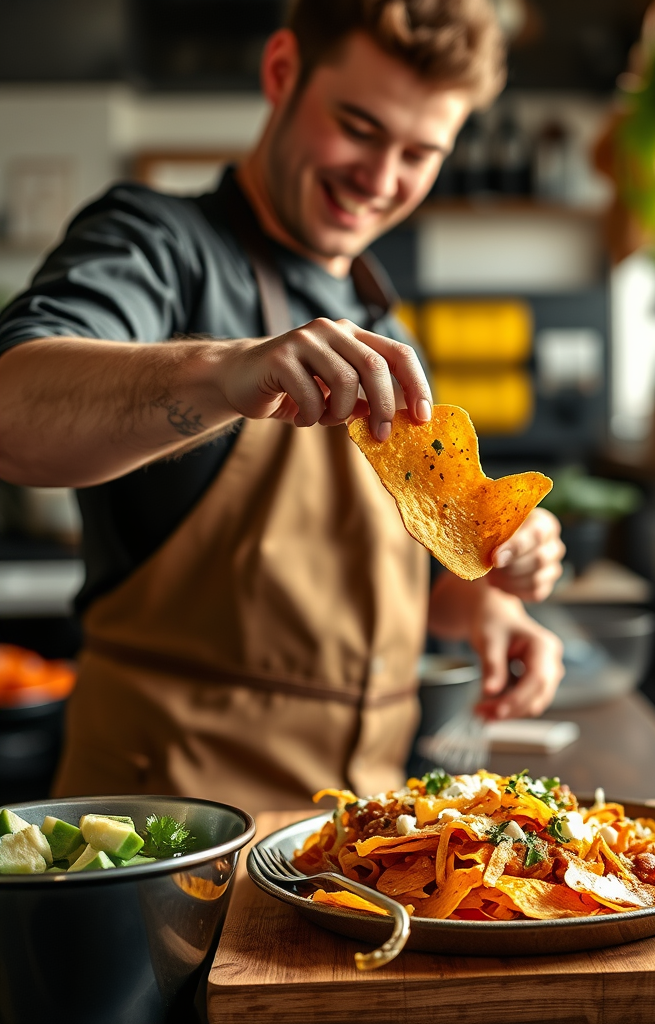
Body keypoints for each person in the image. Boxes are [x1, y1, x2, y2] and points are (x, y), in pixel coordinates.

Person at [0, 0, 565, 813]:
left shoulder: (383, 321)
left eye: (419, 152)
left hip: (353, 839)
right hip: (165, 834)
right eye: (359, 127)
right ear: (281, 72)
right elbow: (13, 417)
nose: (379, 178)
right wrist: (224, 371)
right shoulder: (159, 245)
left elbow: (350, 587)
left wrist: (481, 603)